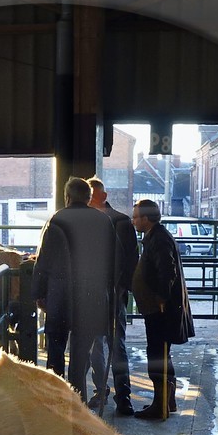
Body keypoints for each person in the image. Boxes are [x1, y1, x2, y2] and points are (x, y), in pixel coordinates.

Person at [33, 177, 116, 402]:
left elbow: (44, 260)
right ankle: (78, 403)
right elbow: (113, 262)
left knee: (56, 352)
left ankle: (57, 401)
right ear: (89, 198)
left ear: (67, 197)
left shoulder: (57, 220)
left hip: (61, 296)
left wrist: (39, 293)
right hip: (91, 298)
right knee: (80, 358)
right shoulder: (103, 221)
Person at [130, 199, 194, 420]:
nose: (133, 221)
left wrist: (160, 298)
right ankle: (167, 401)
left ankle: (160, 405)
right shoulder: (156, 236)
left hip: (160, 310)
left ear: (146, 218)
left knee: (157, 354)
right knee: (162, 354)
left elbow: (167, 270)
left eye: (136, 217)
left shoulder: (158, 239)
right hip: (158, 308)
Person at [86, 177, 138, 416]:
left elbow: (131, 260)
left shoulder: (120, 222)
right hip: (108, 291)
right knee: (106, 344)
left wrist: (122, 287)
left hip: (110, 292)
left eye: (91, 197)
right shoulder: (121, 221)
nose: (88, 202)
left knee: (109, 344)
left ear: (103, 197)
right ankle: (114, 393)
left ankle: (116, 394)